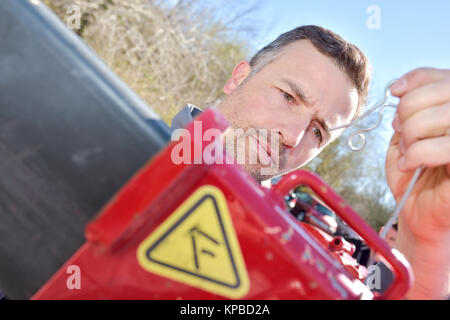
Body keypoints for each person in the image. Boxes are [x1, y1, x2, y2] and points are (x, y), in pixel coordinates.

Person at [171, 25, 450, 299]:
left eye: (317, 131)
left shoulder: (297, 252)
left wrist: (424, 236)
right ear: (238, 78)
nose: (293, 136)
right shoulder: (132, 142)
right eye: (288, 97)